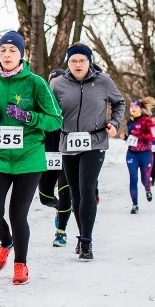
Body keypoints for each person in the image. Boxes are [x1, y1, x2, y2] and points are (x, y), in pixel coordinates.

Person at [0, 30, 62, 283]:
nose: (7, 54)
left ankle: (20, 265)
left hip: (29, 158)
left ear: (22, 54)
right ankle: (6, 242)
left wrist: (29, 117)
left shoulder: (36, 83)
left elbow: (55, 119)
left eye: (12, 50)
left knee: (17, 215)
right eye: (2, 50)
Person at [50, 43, 125, 260]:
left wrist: (114, 123)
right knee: (75, 193)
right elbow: (47, 109)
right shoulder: (58, 84)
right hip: (68, 142)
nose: (77, 65)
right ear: (68, 63)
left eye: (82, 60)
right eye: (73, 61)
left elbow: (119, 102)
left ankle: (86, 241)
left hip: (95, 142)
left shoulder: (103, 81)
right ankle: (82, 233)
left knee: (87, 189)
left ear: (89, 61)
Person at [38, 68, 73, 248]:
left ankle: (61, 232)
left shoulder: (71, 103)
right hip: (46, 155)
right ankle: (58, 207)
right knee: (44, 197)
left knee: (65, 192)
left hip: (66, 155)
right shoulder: (41, 102)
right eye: (53, 84)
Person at [122, 98, 155, 214]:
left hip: (145, 154)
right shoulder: (130, 122)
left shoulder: (147, 120)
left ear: (140, 108)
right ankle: (135, 205)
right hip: (132, 153)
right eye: (131, 106)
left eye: (136, 107)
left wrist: (140, 135)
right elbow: (132, 138)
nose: (133, 108)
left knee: (145, 179)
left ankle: (148, 189)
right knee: (133, 178)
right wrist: (126, 138)